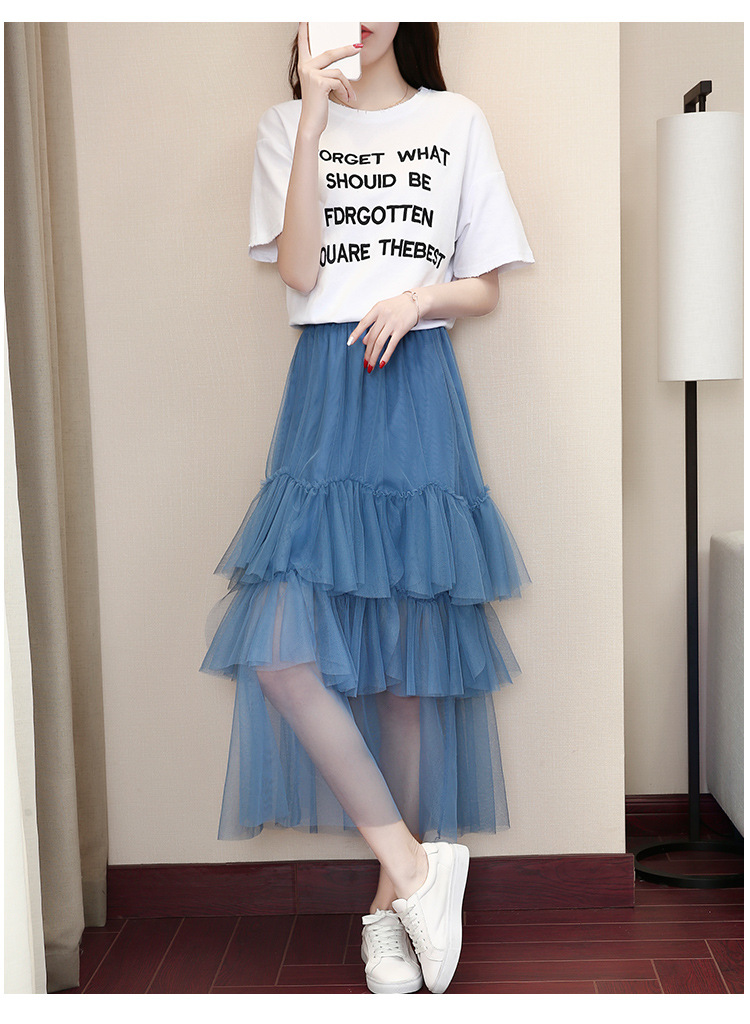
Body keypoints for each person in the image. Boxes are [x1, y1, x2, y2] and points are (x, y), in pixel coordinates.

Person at [200, 22, 534, 995]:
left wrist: (418, 300)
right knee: (280, 653)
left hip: (415, 383)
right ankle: (421, 868)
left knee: (403, 673)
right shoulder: (285, 125)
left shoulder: (455, 120)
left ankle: (391, 914)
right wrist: (311, 118)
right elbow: (300, 273)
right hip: (326, 388)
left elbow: (485, 287)